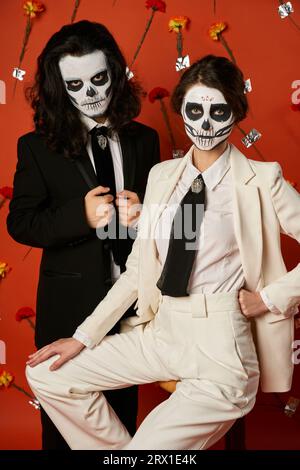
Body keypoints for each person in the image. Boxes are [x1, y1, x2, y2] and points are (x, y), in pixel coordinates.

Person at [25, 55, 300, 450]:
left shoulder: (261, 179)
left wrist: (270, 299)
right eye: (195, 110)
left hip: (220, 347)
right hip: (162, 330)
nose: (205, 124)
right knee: (49, 374)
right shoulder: (163, 176)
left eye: (218, 110)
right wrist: (83, 337)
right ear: (181, 110)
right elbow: (140, 267)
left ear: (237, 112)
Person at [7, 20, 160, 449]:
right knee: (65, 431)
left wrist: (144, 214)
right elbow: (21, 223)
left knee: (119, 421)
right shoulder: (36, 146)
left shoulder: (144, 139)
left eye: (98, 79)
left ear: (113, 72)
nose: (90, 93)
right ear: (60, 86)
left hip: (129, 306)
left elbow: (163, 226)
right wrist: (82, 215)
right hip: (68, 308)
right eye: (75, 84)